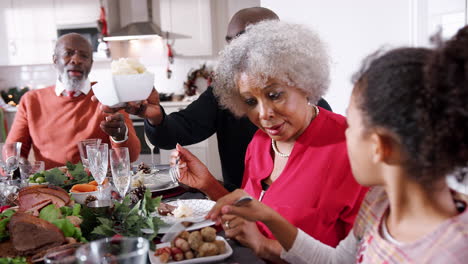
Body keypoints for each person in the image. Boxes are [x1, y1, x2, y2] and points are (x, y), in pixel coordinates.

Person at [206, 27, 468, 263]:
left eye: (352, 126)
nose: (343, 130)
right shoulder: (378, 206)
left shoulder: (452, 252)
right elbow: (336, 262)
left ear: (379, 147)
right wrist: (268, 216)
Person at [170, 20, 367, 263]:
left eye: (274, 95)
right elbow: (253, 217)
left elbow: (357, 258)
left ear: (305, 85)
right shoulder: (260, 142)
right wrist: (208, 184)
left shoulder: (350, 146)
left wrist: (262, 245)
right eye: (251, 101)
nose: (263, 114)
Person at [97, 7, 331, 191]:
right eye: (230, 42)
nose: (265, 116)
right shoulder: (226, 90)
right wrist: (157, 117)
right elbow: (181, 130)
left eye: (242, 40)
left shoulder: (314, 107)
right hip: (240, 202)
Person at [6, 33, 140, 169]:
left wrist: (120, 136)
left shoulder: (108, 94)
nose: (76, 60)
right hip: (51, 186)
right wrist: (13, 161)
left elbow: (132, 156)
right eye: (68, 53)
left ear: (91, 64)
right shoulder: (31, 100)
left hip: (101, 185)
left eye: (84, 56)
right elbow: (13, 149)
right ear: (55, 60)